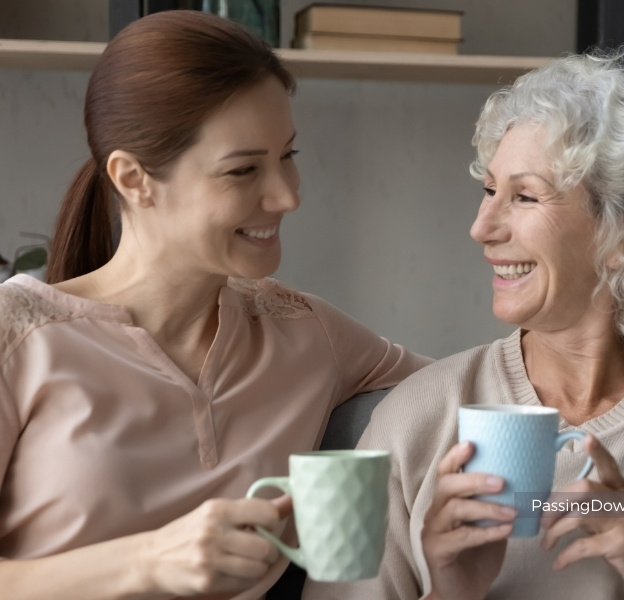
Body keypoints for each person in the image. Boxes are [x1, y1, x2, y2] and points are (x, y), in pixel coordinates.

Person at [304, 53, 624, 600]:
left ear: (623, 231)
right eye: (489, 190)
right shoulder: (415, 421)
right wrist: (448, 594)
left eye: (524, 196)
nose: (481, 227)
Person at [0, 11, 430, 600]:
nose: (287, 195)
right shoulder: (17, 338)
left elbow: (487, 395)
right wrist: (148, 562)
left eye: (288, 155)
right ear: (133, 178)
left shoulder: (305, 333)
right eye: (243, 170)